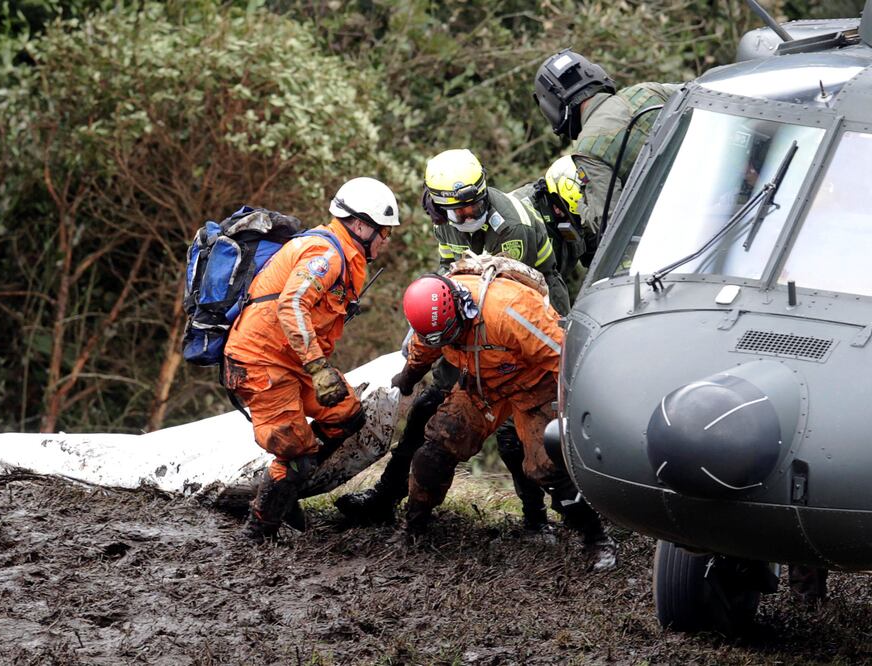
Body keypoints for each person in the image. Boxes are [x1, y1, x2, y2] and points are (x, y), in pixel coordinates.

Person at [335, 148, 570, 530]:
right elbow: (452, 269)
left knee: (515, 431)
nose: (465, 216)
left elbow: (509, 301)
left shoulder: (513, 229)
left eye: (471, 207)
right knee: (427, 409)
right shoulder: (444, 217)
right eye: (455, 211)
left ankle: (537, 517)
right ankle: (388, 495)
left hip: (524, 314)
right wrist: (428, 320)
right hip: (470, 309)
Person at [392, 269, 616, 570]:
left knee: (545, 466)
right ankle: (414, 528)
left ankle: (596, 539)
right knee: (435, 450)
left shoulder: (511, 311)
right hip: (482, 384)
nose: (449, 342)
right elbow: (423, 351)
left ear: (460, 309)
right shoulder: (433, 324)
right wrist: (407, 378)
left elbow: (566, 358)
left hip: (534, 385)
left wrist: (585, 406)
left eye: (451, 334)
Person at [223, 177, 400, 543]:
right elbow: (292, 305)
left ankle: (286, 488)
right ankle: (258, 532)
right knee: (296, 454)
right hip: (261, 363)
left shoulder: (345, 255)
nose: (386, 239)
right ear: (361, 225)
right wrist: (319, 368)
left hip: (294, 361)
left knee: (346, 415)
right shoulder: (327, 254)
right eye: (383, 232)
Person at [534, 49, 681, 237]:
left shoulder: (588, 149)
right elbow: (708, 92)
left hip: (681, 221)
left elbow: (609, 224)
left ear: (552, 107)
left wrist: (577, 204)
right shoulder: (647, 90)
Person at [511, 154, 593, 280]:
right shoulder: (520, 215)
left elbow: (596, 253)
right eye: (573, 216)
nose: (581, 222)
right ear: (557, 205)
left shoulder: (583, 214)